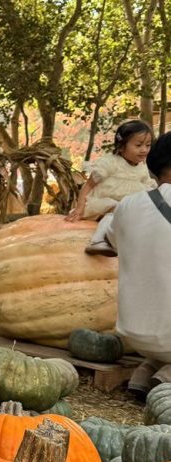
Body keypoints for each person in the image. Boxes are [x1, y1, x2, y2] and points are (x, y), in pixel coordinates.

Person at [105, 131, 171, 394]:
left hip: (134, 333)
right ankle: (167, 376)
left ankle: (145, 373)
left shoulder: (128, 205)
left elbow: (111, 241)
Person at [65, 120, 154, 255]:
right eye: (138, 145)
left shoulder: (142, 169)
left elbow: (149, 190)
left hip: (127, 209)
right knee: (116, 209)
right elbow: (88, 186)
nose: (144, 150)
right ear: (121, 147)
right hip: (103, 204)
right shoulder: (110, 163)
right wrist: (79, 207)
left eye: (148, 145)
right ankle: (97, 240)